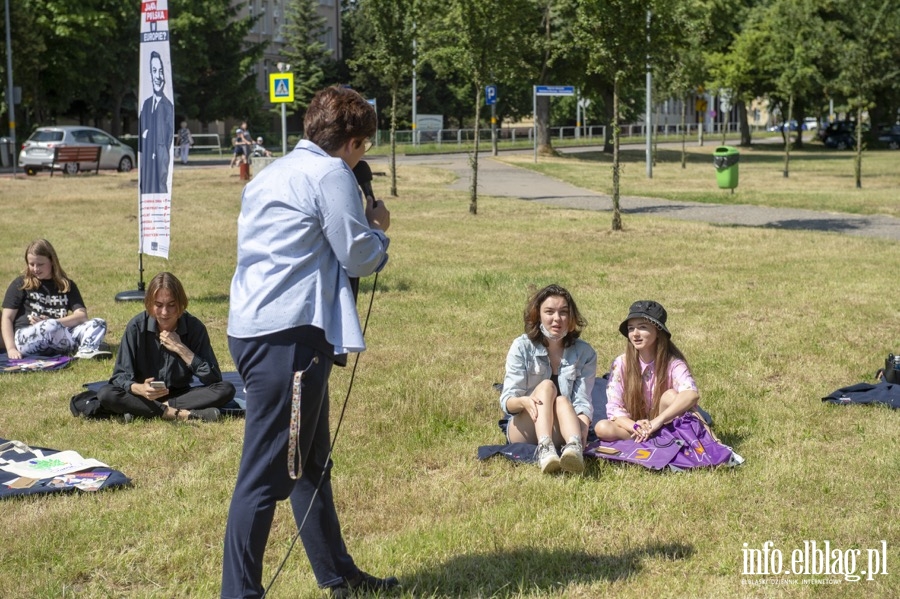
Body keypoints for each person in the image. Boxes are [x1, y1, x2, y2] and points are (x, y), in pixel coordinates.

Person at [221, 86, 395, 598]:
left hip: (255, 329)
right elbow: (359, 255)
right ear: (354, 142)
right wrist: (379, 228)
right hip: (289, 338)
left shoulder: (274, 171)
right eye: (364, 146)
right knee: (264, 474)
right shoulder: (330, 174)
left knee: (308, 461)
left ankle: (339, 576)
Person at [96, 272, 235, 422]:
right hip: (143, 395)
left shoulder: (195, 327)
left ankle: (148, 410)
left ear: (181, 304)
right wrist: (140, 388)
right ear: (149, 304)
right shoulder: (136, 327)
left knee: (226, 389)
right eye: (158, 305)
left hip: (181, 396)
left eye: (171, 305)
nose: (164, 312)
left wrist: (181, 348)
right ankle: (181, 415)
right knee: (106, 393)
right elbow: (120, 376)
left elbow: (214, 378)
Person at [499, 284, 596, 475]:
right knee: (547, 386)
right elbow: (507, 401)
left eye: (563, 312)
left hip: (561, 427)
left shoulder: (585, 352)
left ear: (571, 318)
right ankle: (545, 448)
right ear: (538, 316)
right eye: (549, 312)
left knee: (562, 400)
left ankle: (574, 448)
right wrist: (524, 402)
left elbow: (582, 400)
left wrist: (583, 428)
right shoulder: (521, 347)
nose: (556, 319)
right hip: (525, 427)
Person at [594, 300, 700, 443]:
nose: (635, 334)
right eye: (631, 328)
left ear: (658, 331)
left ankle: (659, 439)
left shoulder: (673, 364)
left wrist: (657, 421)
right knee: (602, 427)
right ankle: (650, 440)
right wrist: (635, 426)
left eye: (642, 327)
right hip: (636, 429)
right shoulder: (621, 363)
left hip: (666, 425)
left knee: (670, 396)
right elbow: (614, 407)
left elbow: (691, 394)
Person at [2, 239, 110, 360]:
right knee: (49, 326)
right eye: (31, 264)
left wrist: (54, 322)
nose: (36, 269)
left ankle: (85, 351)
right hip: (27, 337)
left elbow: (81, 316)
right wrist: (11, 348)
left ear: (52, 261)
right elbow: (7, 318)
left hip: (59, 334)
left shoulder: (66, 285)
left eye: (40, 264)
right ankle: (83, 344)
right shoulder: (20, 284)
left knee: (99, 323)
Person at [139, 51, 175, 194]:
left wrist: (158, 148)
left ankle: (160, 213)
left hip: (160, 154)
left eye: (161, 71)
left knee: (160, 186)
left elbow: (168, 137)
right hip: (147, 155)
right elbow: (142, 130)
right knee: (145, 185)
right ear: (150, 75)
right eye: (154, 71)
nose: (158, 76)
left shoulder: (167, 106)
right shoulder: (146, 104)